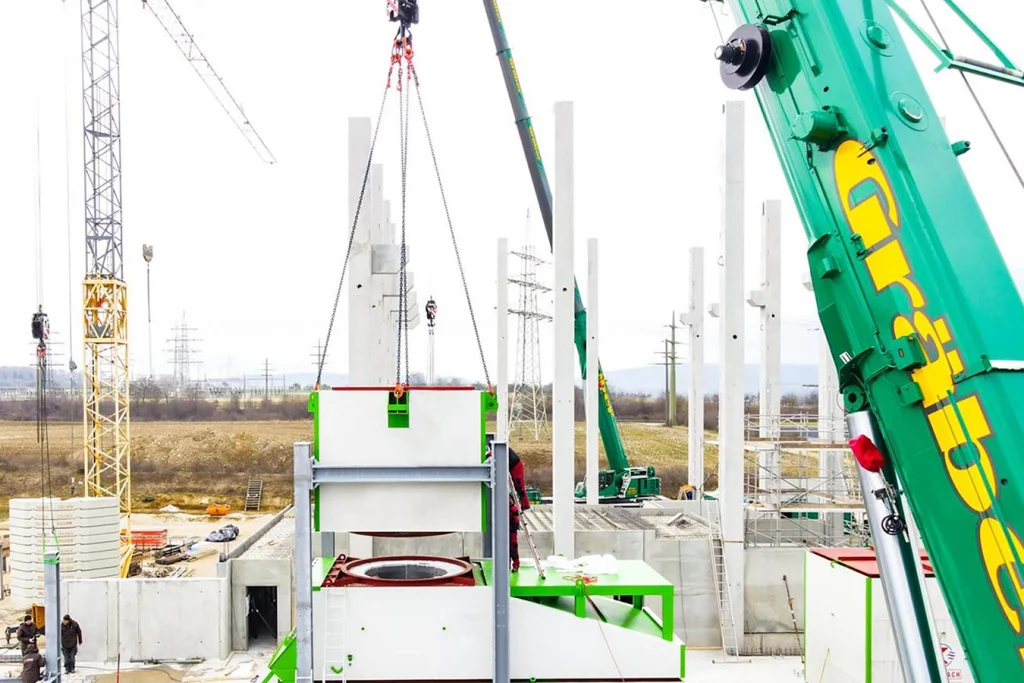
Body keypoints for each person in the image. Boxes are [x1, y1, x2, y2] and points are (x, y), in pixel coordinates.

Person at [486, 438, 531, 572]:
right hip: (511, 519)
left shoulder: (492, 452)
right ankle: (511, 563)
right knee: (510, 544)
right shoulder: (492, 451)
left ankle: (525, 503)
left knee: (520, 487)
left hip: (515, 467)